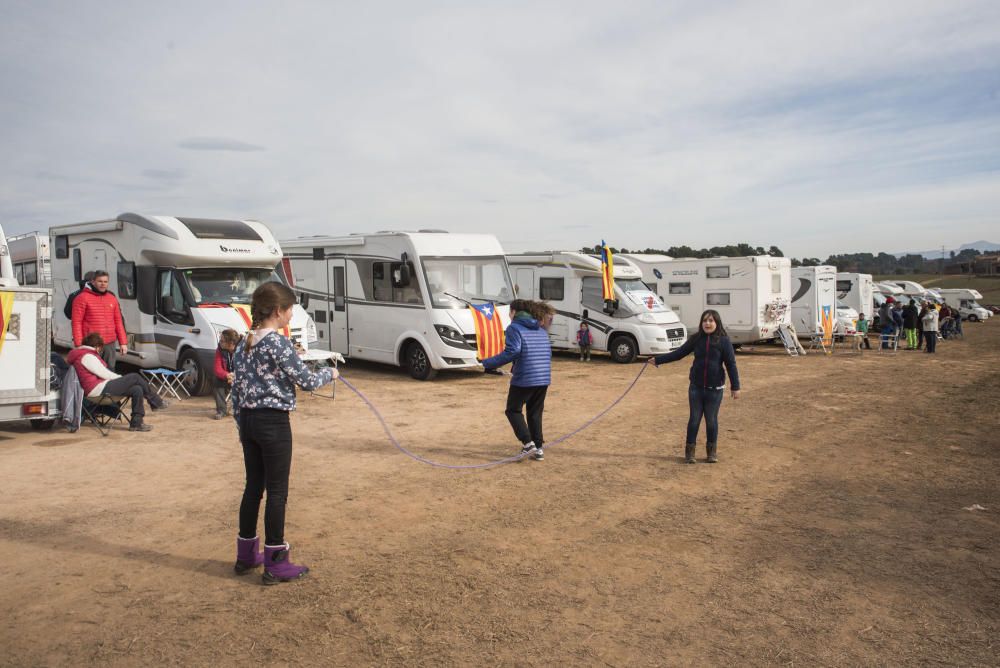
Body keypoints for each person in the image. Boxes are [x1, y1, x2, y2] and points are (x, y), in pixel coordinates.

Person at [230, 282, 338, 584]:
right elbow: (305, 380)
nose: (292, 315)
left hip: (249, 421)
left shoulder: (244, 342)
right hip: (273, 424)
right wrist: (330, 372)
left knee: (254, 488)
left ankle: (246, 555)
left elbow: (237, 390)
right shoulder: (277, 343)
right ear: (278, 311)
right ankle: (276, 562)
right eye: (290, 310)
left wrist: (242, 426)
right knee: (277, 492)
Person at [649, 309, 740, 464]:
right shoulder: (696, 339)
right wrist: (658, 360)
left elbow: (731, 364)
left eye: (711, 321)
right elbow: (678, 354)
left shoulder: (723, 341)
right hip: (696, 388)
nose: (708, 323)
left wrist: (735, 386)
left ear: (716, 323)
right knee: (694, 420)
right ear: (701, 323)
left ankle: (711, 453)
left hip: (714, 389)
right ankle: (689, 453)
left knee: (711, 420)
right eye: (705, 320)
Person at [480, 299, 553, 462]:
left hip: (525, 378)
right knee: (535, 413)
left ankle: (528, 444)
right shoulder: (541, 329)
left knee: (513, 410)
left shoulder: (514, 328)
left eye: (509, 312)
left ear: (514, 312)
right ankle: (539, 449)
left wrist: (487, 362)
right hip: (543, 377)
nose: (509, 315)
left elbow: (512, 352)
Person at [66, 332, 166, 431]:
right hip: (97, 390)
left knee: (137, 389)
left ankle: (137, 423)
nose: (101, 350)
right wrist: (121, 379)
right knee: (134, 377)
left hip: (97, 388)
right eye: (101, 348)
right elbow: (104, 374)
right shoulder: (87, 356)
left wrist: (122, 380)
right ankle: (156, 401)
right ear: (97, 346)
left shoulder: (82, 355)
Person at [71, 270, 127, 369]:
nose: (103, 284)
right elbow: (76, 323)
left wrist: (123, 343)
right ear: (93, 282)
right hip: (91, 344)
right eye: (100, 281)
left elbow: (118, 321)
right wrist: (79, 345)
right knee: (92, 372)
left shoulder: (112, 298)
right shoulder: (81, 298)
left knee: (110, 371)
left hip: (109, 344)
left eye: (105, 282)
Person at [213, 329, 241, 420]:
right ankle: (221, 411)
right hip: (228, 376)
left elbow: (247, 368)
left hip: (240, 377)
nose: (220, 342)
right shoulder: (220, 350)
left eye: (222, 341)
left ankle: (242, 410)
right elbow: (217, 369)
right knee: (216, 380)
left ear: (231, 343)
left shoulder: (242, 349)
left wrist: (236, 376)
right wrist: (227, 375)